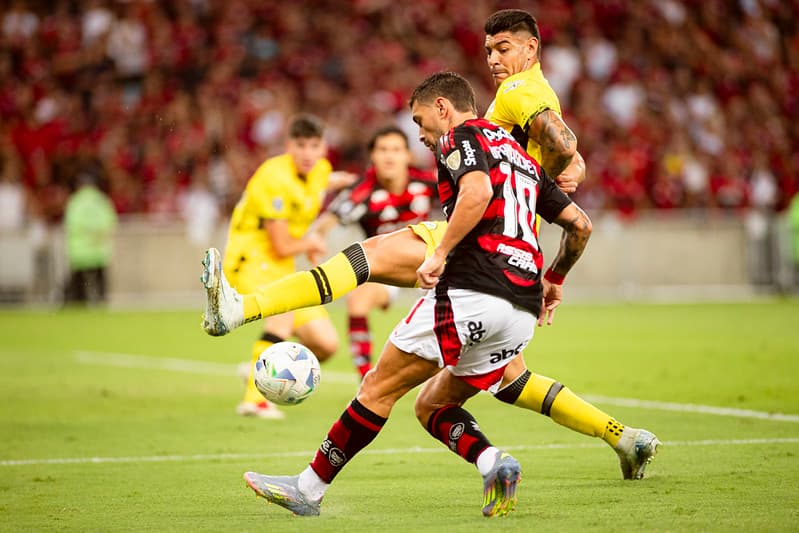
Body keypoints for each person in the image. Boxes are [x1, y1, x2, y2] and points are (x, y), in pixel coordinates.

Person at [202, 9, 659, 480]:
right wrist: (567, 173)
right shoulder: (539, 101)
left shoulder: (519, 91)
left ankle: (240, 311)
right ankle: (623, 437)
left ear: (531, 48)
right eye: (488, 51)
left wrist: (563, 159)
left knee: (369, 258)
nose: (495, 61)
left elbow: (555, 147)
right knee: (508, 382)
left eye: (503, 49)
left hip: (482, 237)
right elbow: (568, 171)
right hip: (522, 254)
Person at [237, 71, 594, 517]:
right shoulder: (522, 160)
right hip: (521, 309)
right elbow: (580, 226)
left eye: (421, 121)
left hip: (472, 289)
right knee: (432, 404)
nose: (421, 135)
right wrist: (554, 280)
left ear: (443, 108)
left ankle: (307, 489)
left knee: (377, 388)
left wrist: (440, 251)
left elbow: (477, 190)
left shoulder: (461, 137)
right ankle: (494, 463)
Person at [220, 113, 353, 420]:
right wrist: (312, 243)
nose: (307, 153)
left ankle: (260, 368)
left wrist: (351, 181)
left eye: (314, 145)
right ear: (288, 146)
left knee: (326, 344)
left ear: (323, 148)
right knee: (283, 315)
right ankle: (255, 399)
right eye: (301, 145)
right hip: (250, 259)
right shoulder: (273, 177)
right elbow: (281, 244)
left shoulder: (320, 169)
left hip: (282, 265)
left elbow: (322, 181)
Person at [314, 125, 437, 378]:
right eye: (382, 150)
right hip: (389, 271)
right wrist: (317, 239)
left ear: (408, 156)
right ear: (372, 156)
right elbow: (325, 223)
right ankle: (365, 376)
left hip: (431, 266)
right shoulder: (361, 191)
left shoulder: (427, 181)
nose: (389, 156)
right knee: (358, 299)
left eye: (396, 150)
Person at [63, 168, 117, 304]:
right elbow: (111, 223)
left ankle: (79, 308)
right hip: (99, 250)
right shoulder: (102, 201)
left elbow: (70, 225)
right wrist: (97, 236)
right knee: (100, 286)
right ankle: (101, 307)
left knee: (79, 288)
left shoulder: (75, 202)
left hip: (80, 252)